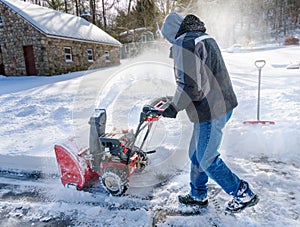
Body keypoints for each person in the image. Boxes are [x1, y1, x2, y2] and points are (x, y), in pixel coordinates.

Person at [161, 12, 259, 213]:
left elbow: (188, 84)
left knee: (206, 158)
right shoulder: (202, 37)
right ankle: (198, 194)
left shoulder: (183, 42)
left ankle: (242, 192)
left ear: (171, 32)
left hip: (210, 110)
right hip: (220, 104)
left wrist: (174, 107)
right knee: (196, 154)